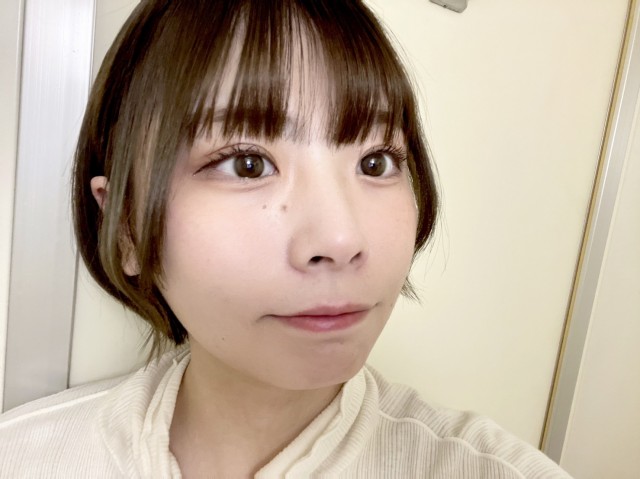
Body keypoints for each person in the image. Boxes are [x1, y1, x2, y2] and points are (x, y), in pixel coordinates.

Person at [0, 0, 571, 477]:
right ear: (124, 226)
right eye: (247, 164)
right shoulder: (24, 458)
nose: (342, 238)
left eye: (376, 162)